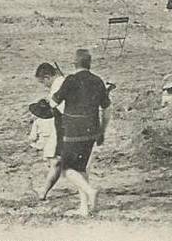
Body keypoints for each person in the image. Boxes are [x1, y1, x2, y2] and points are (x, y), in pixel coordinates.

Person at [51, 49, 111, 216]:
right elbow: (107, 109)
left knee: (65, 169)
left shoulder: (70, 80)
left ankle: (90, 191)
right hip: (92, 131)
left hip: (73, 131)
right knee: (81, 168)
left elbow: (53, 102)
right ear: (89, 64)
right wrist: (102, 131)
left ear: (74, 63)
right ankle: (84, 208)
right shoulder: (98, 81)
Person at [34, 62, 65, 200]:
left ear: (47, 77)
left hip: (65, 126)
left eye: (43, 82)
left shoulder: (57, 86)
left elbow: (57, 109)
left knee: (56, 161)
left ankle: (43, 192)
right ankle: (43, 191)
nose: (44, 86)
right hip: (69, 125)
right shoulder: (64, 81)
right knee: (57, 161)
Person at [27, 98, 62, 200]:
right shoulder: (58, 119)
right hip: (57, 144)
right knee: (56, 167)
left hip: (47, 146)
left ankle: (43, 192)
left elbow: (33, 137)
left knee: (53, 166)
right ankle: (44, 191)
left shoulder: (38, 122)